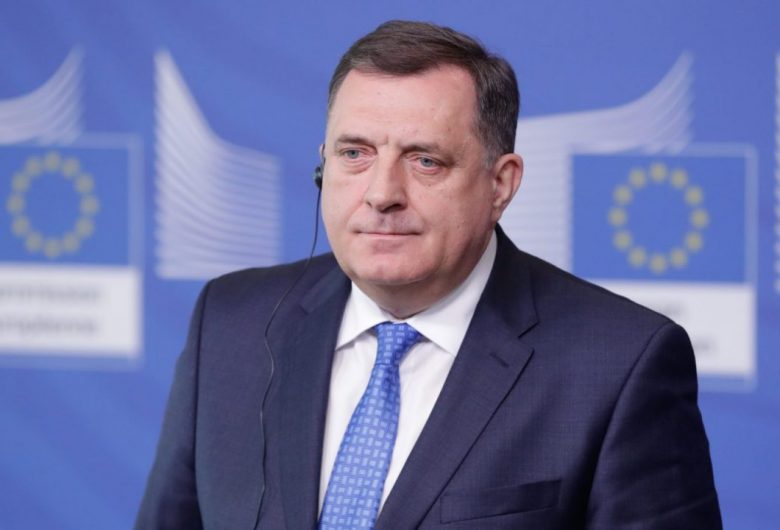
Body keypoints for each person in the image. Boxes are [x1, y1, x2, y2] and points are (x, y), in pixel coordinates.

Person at [136, 20, 722, 529]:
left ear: (501, 184)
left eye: (425, 160)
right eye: (354, 154)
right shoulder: (231, 322)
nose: (382, 193)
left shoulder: (619, 365)